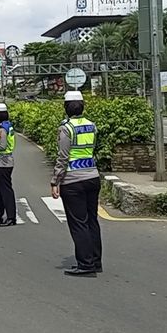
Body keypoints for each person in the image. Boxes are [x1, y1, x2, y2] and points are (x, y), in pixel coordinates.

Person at [51, 91, 102, 277]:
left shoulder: (66, 128)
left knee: (78, 223)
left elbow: (63, 157)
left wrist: (55, 181)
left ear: (66, 107)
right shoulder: (92, 125)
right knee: (92, 220)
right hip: (92, 177)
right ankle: (96, 261)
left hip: (73, 181)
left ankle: (85, 264)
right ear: (82, 106)